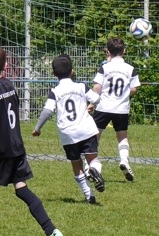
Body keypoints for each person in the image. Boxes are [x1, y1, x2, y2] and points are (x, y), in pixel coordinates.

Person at [0, 45, 64, 236]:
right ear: (5, 65)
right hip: (17, 146)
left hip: (0, 150)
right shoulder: (9, 84)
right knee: (21, 189)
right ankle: (52, 232)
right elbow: (5, 105)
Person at [32, 54, 105, 204]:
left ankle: (89, 196)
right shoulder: (81, 86)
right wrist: (91, 105)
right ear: (72, 71)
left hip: (68, 134)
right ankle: (94, 169)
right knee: (93, 159)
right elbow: (96, 99)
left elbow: (48, 111)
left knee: (76, 165)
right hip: (86, 129)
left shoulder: (55, 91)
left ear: (54, 73)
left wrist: (37, 128)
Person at [91, 37, 140, 181]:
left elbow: (97, 86)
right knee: (122, 137)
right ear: (124, 51)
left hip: (104, 107)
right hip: (121, 109)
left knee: (94, 136)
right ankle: (124, 161)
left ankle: (91, 166)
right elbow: (134, 89)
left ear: (108, 51)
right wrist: (124, 93)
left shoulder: (105, 67)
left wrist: (92, 102)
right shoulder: (130, 69)